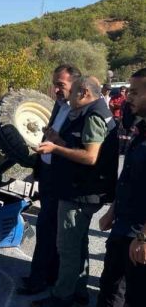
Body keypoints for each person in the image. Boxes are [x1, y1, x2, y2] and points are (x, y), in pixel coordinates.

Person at [32, 76, 119, 307]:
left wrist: (55, 148)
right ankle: (79, 290)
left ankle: (62, 296)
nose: (68, 98)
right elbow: (82, 146)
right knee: (78, 243)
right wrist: (58, 139)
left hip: (80, 192)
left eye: (71, 94)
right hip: (82, 189)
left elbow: (90, 156)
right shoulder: (94, 110)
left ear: (83, 93)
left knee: (67, 247)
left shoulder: (93, 116)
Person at [18, 64, 81, 297]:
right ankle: (47, 275)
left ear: (75, 85)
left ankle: (39, 279)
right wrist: (38, 167)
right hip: (47, 175)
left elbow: (77, 148)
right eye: (55, 84)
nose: (55, 89)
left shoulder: (79, 110)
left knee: (47, 229)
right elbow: (49, 135)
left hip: (60, 179)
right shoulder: (59, 104)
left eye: (60, 85)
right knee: (49, 228)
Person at [97, 68, 146, 307]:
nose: (128, 97)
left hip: (139, 233)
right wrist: (112, 210)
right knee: (109, 290)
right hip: (122, 227)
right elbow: (128, 178)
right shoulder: (140, 132)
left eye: (136, 93)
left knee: (135, 296)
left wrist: (143, 237)